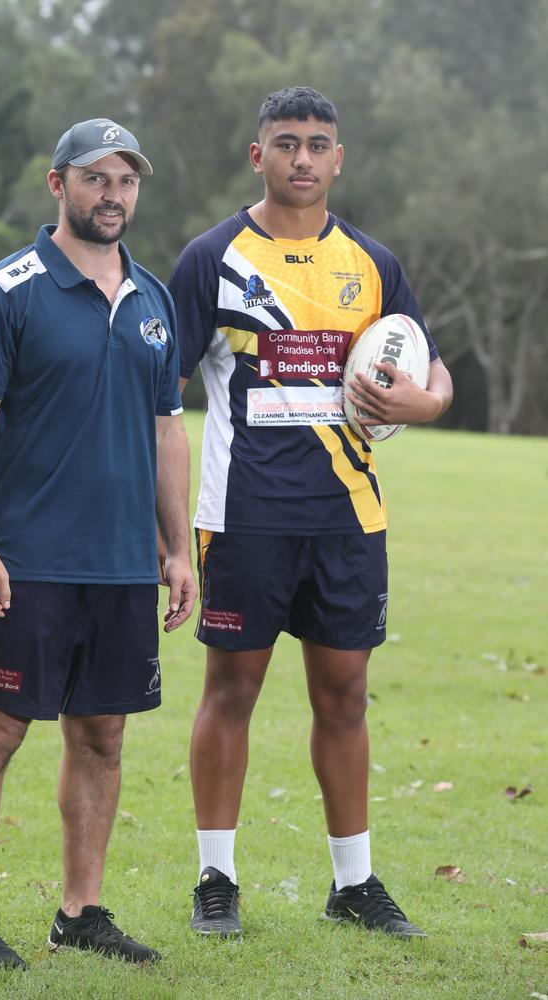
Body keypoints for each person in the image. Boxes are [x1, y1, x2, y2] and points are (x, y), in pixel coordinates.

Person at [168, 87, 453, 939]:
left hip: (348, 516)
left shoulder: (372, 264)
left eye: (317, 143)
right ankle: (215, 878)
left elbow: (433, 378)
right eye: (285, 142)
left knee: (346, 696)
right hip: (244, 513)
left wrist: (420, 404)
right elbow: (162, 396)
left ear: (339, 159)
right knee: (232, 690)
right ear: (257, 155)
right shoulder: (212, 258)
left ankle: (353, 885)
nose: (302, 157)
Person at [0, 118, 196, 969]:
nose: (112, 194)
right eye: (95, 179)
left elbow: (167, 432)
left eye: (126, 180)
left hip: (122, 567)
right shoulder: (5, 290)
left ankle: (80, 911)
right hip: (29, 562)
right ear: (59, 185)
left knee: (103, 738)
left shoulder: (154, 300)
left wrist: (177, 548)